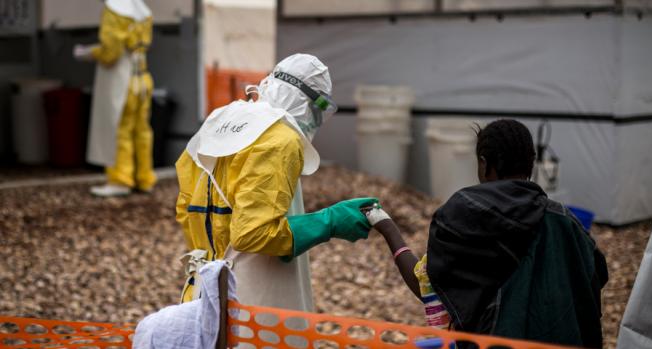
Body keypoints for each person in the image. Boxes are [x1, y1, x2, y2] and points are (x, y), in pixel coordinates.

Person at [367, 119, 609, 348]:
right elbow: (594, 277)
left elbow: (430, 286)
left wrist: (387, 227)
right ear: (531, 162)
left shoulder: (463, 216)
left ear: (484, 163)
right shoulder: (567, 223)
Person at [175, 53, 378, 309]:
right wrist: (329, 222)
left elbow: (185, 210)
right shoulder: (279, 139)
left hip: (200, 293)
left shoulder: (218, 122)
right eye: (317, 111)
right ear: (306, 103)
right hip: (245, 303)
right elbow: (252, 234)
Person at [74, 0, 156, 197]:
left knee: (119, 129)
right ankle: (144, 178)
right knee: (142, 131)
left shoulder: (114, 11)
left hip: (123, 81)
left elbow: (110, 52)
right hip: (143, 79)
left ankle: (120, 179)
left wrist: (88, 53)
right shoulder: (143, 11)